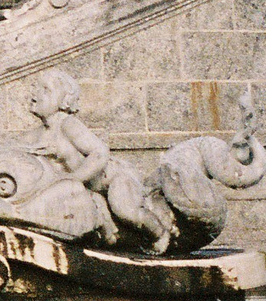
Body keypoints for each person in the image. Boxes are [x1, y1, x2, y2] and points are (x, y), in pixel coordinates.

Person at [23, 73, 168, 253]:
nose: (36, 93)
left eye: (45, 89)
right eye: (36, 87)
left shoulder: (68, 124)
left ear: (64, 102)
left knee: (125, 209)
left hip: (112, 178)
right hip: (90, 188)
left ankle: (159, 233)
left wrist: (74, 178)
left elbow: (99, 152)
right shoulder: (36, 135)